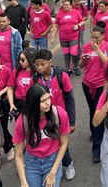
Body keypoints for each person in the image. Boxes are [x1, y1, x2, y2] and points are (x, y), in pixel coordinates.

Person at [13, 84, 70, 187]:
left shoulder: (60, 114)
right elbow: (18, 155)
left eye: (48, 98)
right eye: (43, 101)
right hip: (32, 163)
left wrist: (53, 173)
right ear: (33, 103)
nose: (48, 103)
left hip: (52, 161)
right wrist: (23, 182)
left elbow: (64, 143)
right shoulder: (22, 121)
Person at [32, 49, 76, 181]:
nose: (39, 67)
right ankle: (49, 168)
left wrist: (72, 121)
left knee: (62, 142)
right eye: (37, 65)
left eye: (42, 64)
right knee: (48, 143)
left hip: (60, 117)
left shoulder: (62, 76)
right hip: (44, 118)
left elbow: (70, 99)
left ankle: (68, 164)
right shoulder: (35, 78)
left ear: (50, 63)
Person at [79, 24, 108, 163]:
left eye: (97, 37)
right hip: (87, 83)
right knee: (92, 110)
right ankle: (94, 131)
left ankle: (97, 148)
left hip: (101, 85)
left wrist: (98, 51)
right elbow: (80, 66)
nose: (94, 40)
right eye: (92, 37)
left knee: (98, 112)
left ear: (103, 36)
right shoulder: (87, 46)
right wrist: (84, 59)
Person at [50, 0, 85, 73]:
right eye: (64, 5)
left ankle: (75, 67)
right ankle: (68, 69)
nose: (66, 7)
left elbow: (82, 21)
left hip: (74, 37)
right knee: (66, 54)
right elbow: (56, 26)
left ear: (71, 5)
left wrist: (78, 25)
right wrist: (53, 37)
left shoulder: (76, 12)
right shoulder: (59, 14)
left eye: (68, 5)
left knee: (74, 53)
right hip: (63, 38)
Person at [7, 48, 37, 115]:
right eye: (19, 59)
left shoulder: (38, 73)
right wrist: (11, 104)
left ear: (30, 60)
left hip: (33, 104)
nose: (20, 62)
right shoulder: (16, 71)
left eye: (23, 60)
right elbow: (10, 88)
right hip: (19, 104)